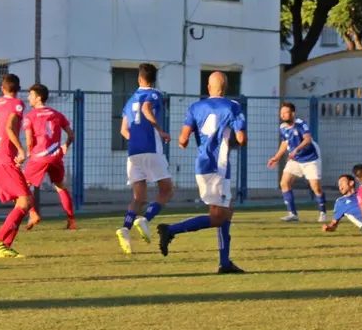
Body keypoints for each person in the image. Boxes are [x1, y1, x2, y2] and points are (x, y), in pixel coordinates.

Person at [157, 72, 247, 274]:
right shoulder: (233, 106)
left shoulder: (195, 107)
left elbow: (183, 139)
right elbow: (241, 139)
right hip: (218, 167)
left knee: (227, 210)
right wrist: (234, 136)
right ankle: (170, 230)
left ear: (209, 88)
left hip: (204, 164)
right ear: (226, 87)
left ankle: (225, 262)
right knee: (218, 217)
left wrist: (184, 142)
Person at [117, 63, 172, 254]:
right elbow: (147, 108)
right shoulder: (155, 94)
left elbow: (123, 130)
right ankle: (145, 220)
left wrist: (137, 140)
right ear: (154, 79)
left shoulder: (130, 99)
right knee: (166, 190)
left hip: (134, 152)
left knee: (138, 197)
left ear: (139, 79)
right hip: (151, 149)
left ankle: (125, 228)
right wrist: (160, 131)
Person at [0, 74, 33, 258]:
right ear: (17, 88)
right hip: (4, 158)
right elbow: (9, 128)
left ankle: (5, 245)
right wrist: (20, 150)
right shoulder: (17, 104)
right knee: (25, 201)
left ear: (2, 88)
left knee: (22, 202)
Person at [22, 83, 76, 230]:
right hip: (56, 156)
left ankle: (33, 214)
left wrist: (29, 152)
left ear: (38, 98)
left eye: (31, 95)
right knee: (60, 187)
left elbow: (29, 140)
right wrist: (65, 145)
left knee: (22, 186)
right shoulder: (57, 114)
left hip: (39, 155)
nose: (28, 98)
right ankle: (71, 220)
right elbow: (71, 135)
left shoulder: (30, 116)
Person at [267, 101, 326, 222]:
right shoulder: (283, 127)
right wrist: (277, 157)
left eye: (285, 113)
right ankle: (292, 214)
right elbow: (285, 142)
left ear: (292, 113)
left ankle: (323, 212)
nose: (282, 115)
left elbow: (307, 139)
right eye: (281, 113)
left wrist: (296, 150)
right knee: (284, 183)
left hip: (310, 158)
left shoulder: (301, 124)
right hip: (295, 159)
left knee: (315, 187)